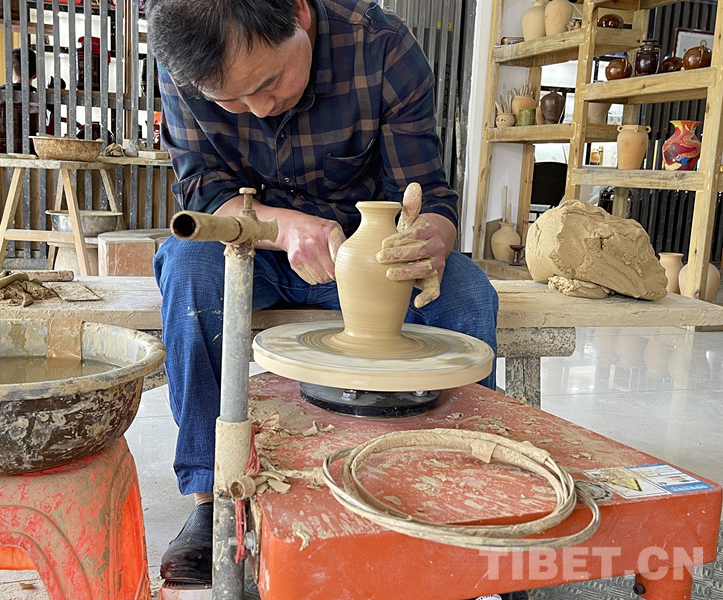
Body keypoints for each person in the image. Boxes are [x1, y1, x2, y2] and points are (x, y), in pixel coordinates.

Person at [147, 0, 499, 587]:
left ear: (298, 14)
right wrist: (281, 229)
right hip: (255, 245)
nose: (260, 108)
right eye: (233, 101)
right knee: (188, 267)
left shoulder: (383, 50)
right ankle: (213, 499)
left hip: (366, 256)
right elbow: (203, 189)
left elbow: (426, 192)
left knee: (465, 293)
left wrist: (432, 237)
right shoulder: (187, 56)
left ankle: (463, 487)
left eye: (268, 82)